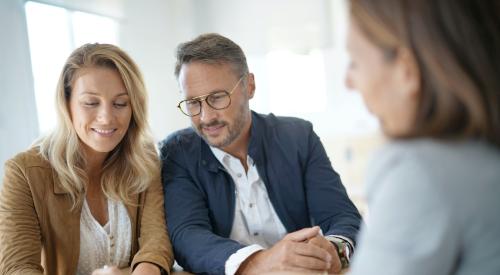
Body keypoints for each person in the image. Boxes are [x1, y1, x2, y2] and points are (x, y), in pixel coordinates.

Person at [160, 33, 362, 275]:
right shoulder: (177, 152)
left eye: (217, 97)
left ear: (249, 86)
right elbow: (187, 236)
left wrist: (334, 249)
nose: (206, 117)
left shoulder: (299, 137)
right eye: (193, 102)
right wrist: (259, 262)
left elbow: (342, 216)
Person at [345, 0, 500, 274]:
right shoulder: (485, 158)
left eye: (355, 62)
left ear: (406, 69)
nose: (348, 81)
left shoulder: (419, 175)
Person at [0, 43, 173, 275]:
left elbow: (156, 242)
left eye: (120, 103)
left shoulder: (145, 159)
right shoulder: (24, 172)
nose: (106, 118)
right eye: (91, 103)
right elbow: (17, 267)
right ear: (67, 104)